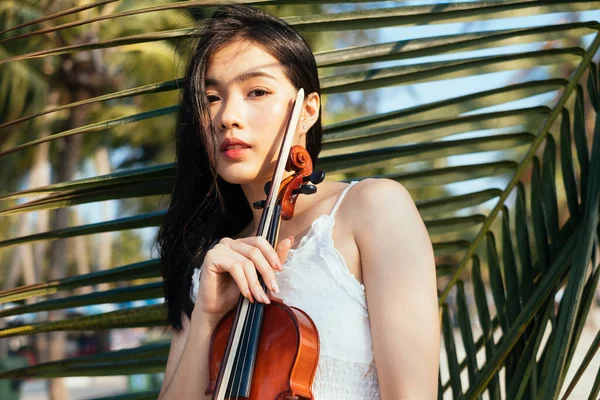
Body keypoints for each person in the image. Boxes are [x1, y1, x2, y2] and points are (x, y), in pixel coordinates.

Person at [156, 5, 439, 399]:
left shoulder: (372, 209)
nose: (227, 116)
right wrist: (206, 316)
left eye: (257, 91)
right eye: (211, 97)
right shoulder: (211, 262)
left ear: (307, 111)